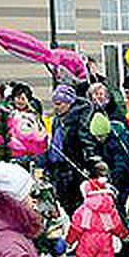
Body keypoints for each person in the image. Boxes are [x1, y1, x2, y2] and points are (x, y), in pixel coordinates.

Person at [66, 168, 129, 257]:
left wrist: (70, 241)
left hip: (87, 238)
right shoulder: (110, 209)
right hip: (105, 238)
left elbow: (76, 227)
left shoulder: (83, 209)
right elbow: (117, 225)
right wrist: (124, 235)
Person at [46, 84, 97, 216]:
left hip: (74, 168)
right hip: (58, 168)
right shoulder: (57, 119)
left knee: (77, 206)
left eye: (59, 104)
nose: (56, 107)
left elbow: (86, 141)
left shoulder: (78, 118)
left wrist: (91, 161)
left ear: (69, 103)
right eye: (55, 104)